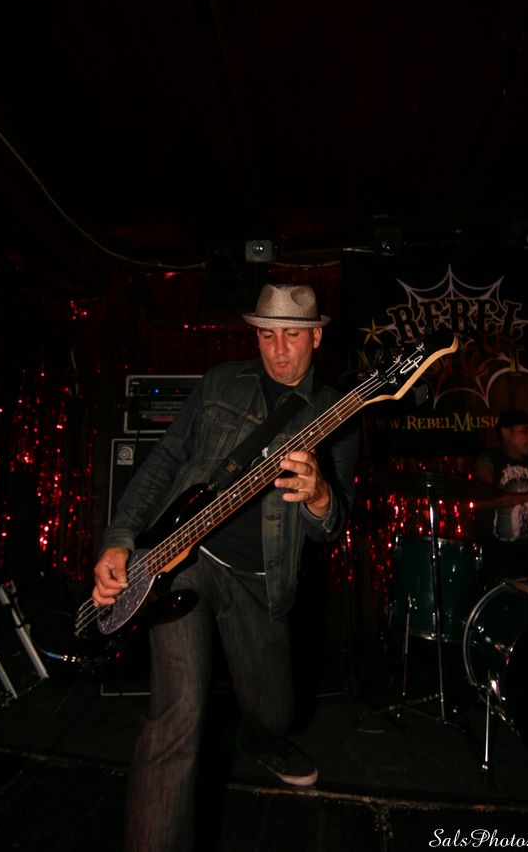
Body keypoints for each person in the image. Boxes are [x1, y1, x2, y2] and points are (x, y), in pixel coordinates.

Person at [92, 283, 360, 852]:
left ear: (316, 337)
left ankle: (263, 742)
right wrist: (118, 539)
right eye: (267, 335)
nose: (278, 351)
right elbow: (165, 461)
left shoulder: (338, 411)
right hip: (183, 561)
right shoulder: (219, 382)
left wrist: (319, 496)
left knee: (272, 710)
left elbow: (331, 526)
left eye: (292, 336)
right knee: (176, 714)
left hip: (262, 581)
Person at [473, 409, 528, 588]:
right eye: (525, 431)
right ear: (506, 433)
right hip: (498, 556)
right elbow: (482, 500)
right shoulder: (490, 461)